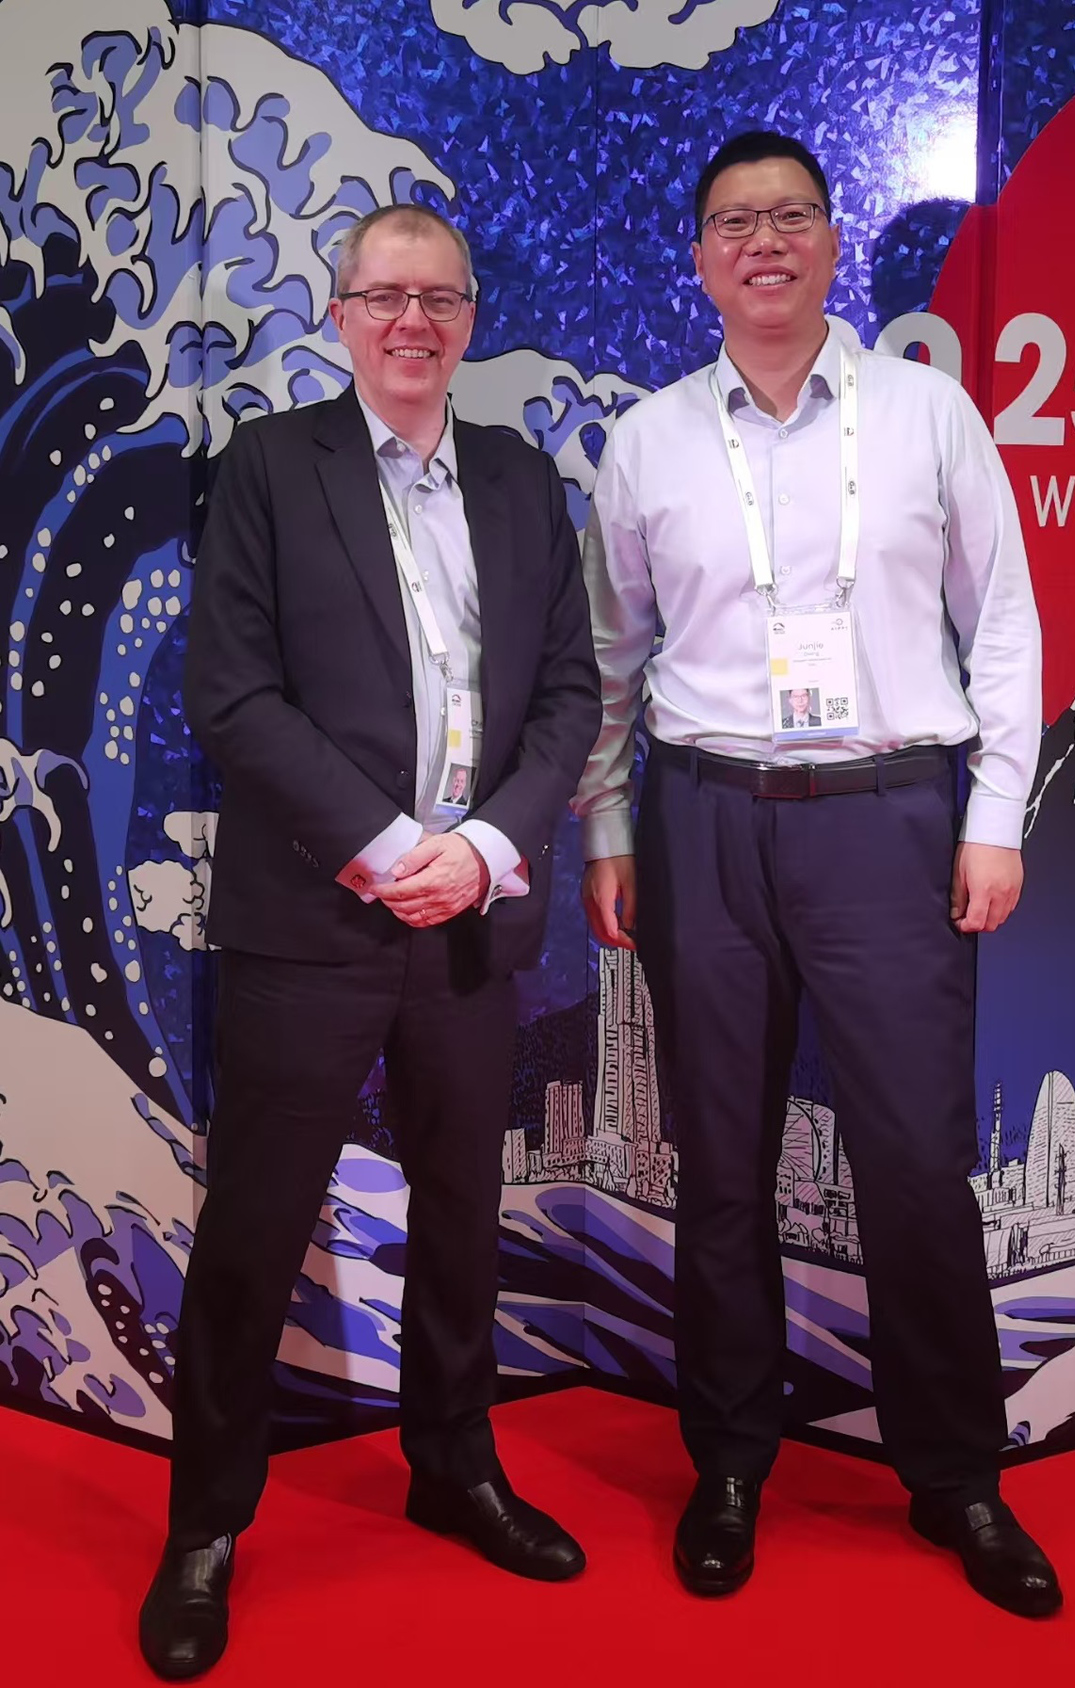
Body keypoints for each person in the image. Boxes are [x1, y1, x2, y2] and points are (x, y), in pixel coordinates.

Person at [574, 131, 1061, 1618]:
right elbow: (610, 658)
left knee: (914, 1160)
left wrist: (996, 812)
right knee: (720, 1163)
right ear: (701, 258)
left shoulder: (927, 413)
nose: (765, 242)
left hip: (890, 819)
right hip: (705, 820)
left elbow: (1003, 621)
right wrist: (607, 828)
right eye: (735, 221)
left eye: (791, 215)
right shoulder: (650, 440)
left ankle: (957, 1477)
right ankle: (729, 1466)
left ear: (835, 243)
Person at [139, 204, 601, 1680]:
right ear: (340, 316)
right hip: (314, 916)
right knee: (255, 1227)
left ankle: (454, 1466)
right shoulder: (270, 468)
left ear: (470, 316)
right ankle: (206, 1526)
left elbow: (571, 698)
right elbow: (233, 696)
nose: (414, 322)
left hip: (475, 915)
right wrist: (392, 848)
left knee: (464, 1214)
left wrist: (482, 849)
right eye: (386, 297)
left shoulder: (524, 481)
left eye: (441, 298)